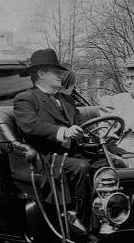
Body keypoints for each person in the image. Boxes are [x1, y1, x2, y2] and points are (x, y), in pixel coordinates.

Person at [13, 48, 93, 232]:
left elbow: (82, 126)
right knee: (81, 168)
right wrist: (63, 132)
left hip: (74, 154)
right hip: (47, 158)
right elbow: (30, 125)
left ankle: (111, 215)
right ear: (41, 73)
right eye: (56, 72)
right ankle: (80, 222)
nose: (61, 74)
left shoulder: (67, 100)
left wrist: (100, 136)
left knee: (111, 164)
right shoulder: (26, 98)